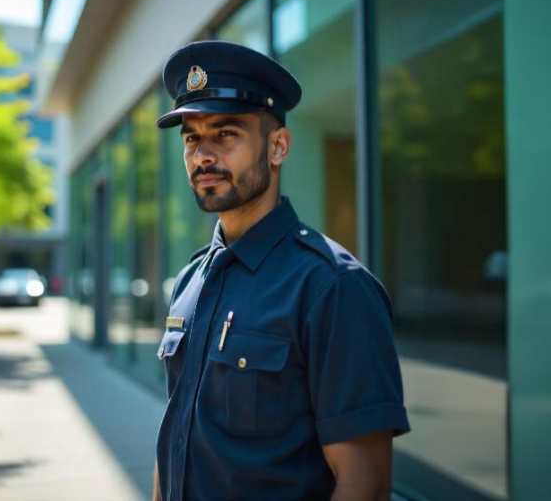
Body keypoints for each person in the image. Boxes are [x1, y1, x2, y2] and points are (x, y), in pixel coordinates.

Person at [152, 40, 409, 500]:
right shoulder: (191, 280)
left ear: (278, 147)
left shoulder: (332, 286)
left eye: (225, 133)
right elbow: (175, 440)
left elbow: (364, 484)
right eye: (191, 138)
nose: (203, 155)